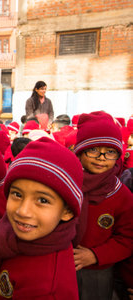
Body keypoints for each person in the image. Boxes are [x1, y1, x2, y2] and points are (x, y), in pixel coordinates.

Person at [0, 137, 83, 299]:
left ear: (67, 211)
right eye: (17, 194)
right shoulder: (9, 235)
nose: (23, 211)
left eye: (42, 200)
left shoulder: (48, 289)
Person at [72, 111, 133, 300]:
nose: (101, 157)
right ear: (80, 151)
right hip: (58, 264)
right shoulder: (67, 184)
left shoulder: (121, 195)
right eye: (93, 150)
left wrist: (95, 255)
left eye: (110, 151)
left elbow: (127, 238)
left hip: (98, 273)